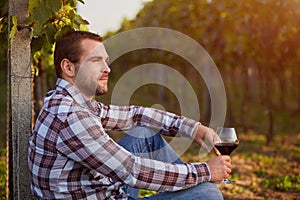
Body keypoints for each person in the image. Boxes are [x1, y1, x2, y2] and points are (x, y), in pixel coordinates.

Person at [28, 30, 232, 200]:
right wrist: (204, 171)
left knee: (144, 133)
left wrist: (194, 129)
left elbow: (136, 115)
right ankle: (195, 187)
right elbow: (132, 170)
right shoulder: (71, 116)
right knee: (208, 194)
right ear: (69, 67)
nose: (107, 68)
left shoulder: (66, 101)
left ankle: (187, 188)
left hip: (96, 189)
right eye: (96, 61)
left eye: (106, 61)